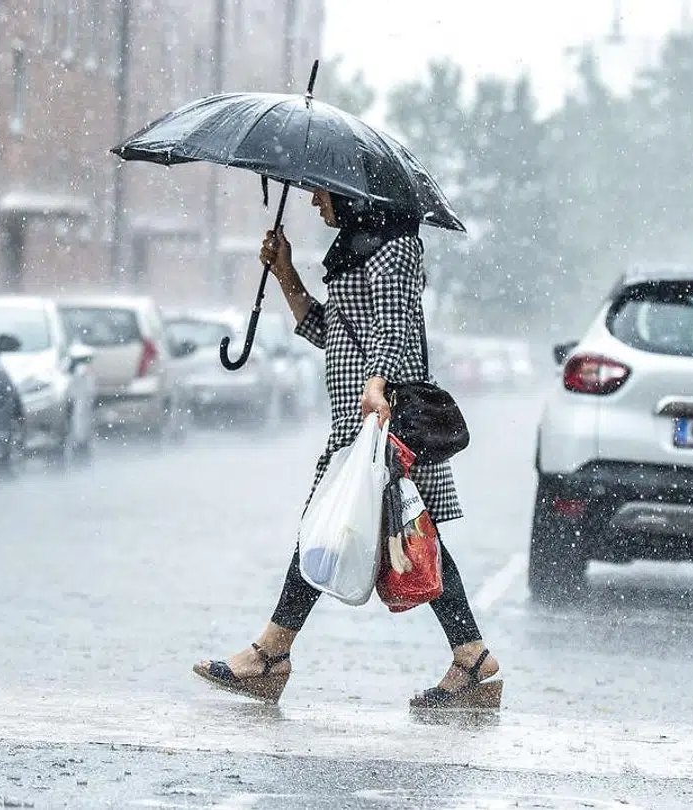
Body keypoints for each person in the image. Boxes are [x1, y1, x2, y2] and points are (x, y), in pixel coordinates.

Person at [193, 188, 501, 709]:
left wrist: (376, 384)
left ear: (353, 193)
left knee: (334, 530)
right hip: (358, 426)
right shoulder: (357, 246)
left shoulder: (395, 243)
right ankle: (471, 656)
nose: (315, 200)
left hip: (384, 423)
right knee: (404, 536)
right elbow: (330, 331)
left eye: (322, 192)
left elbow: (394, 325)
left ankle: (272, 653)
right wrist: (285, 273)